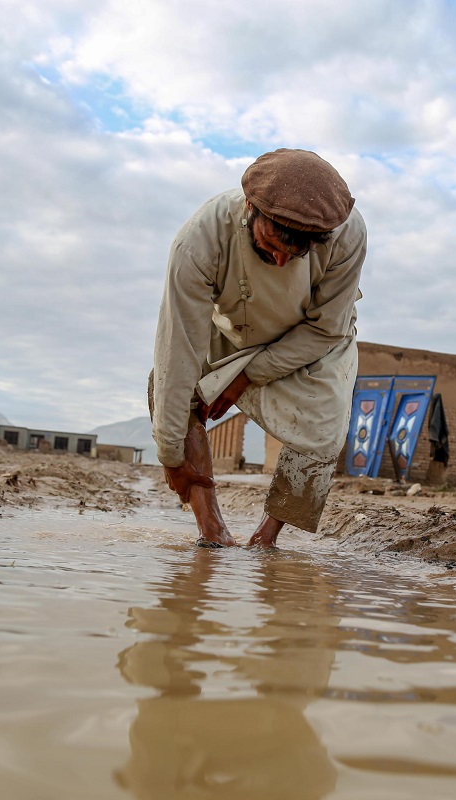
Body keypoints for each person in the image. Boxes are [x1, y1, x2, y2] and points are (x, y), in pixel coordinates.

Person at [150, 148, 366, 548]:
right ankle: (212, 531)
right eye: (270, 244)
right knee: (170, 391)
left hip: (313, 339)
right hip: (232, 332)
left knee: (324, 429)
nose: (281, 262)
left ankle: (265, 541)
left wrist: (248, 377)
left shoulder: (347, 235)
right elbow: (177, 351)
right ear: (249, 207)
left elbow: (326, 330)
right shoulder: (199, 242)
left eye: (296, 252)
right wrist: (170, 454)